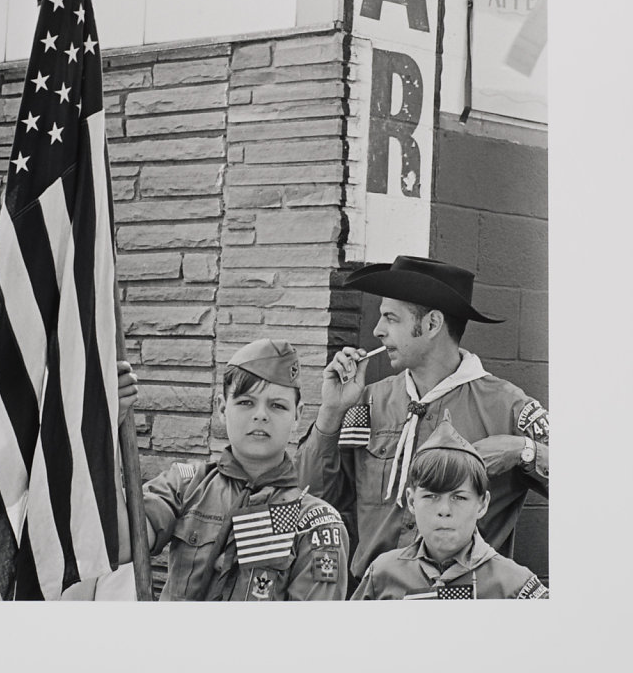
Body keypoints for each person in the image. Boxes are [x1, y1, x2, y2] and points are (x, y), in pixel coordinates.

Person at [295, 255, 549, 585]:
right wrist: (330, 413)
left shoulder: (507, 406)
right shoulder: (367, 401)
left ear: (431, 325)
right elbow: (312, 498)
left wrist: (523, 450)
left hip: (462, 606)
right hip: (374, 598)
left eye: (390, 318)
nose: (377, 330)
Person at [112, 338, 349, 600]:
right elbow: (121, 545)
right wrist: (109, 428)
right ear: (222, 408)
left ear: (297, 415)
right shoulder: (186, 485)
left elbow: (311, 635)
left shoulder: (315, 524)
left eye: (277, 405)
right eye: (246, 402)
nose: (261, 415)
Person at [351, 411, 548, 599]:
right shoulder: (382, 575)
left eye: (459, 497)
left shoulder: (515, 585)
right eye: (430, 496)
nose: (444, 511)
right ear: (411, 501)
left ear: (482, 504)